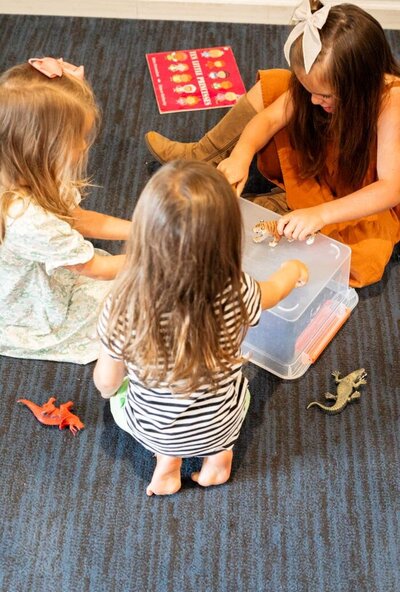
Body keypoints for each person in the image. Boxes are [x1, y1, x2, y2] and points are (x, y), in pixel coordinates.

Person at [145, 1, 400, 288]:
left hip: (359, 191)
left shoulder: (391, 100)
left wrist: (321, 213)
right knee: (274, 85)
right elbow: (268, 120)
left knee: (367, 255)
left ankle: (276, 207)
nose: (315, 100)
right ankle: (203, 155)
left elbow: (390, 188)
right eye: (309, 91)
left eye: (325, 95)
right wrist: (241, 155)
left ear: (360, 83)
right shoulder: (318, 91)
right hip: (323, 161)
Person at [93, 160, 308, 496]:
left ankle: (166, 466)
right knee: (238, 393)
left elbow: (106, 381)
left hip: (155, 429)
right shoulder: (237, 289)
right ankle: (219, 462)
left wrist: (112, 393)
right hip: (223, 421)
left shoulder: (122, 305)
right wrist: (293, 270)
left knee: (123, 401)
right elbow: (275, 291)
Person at [0, 58, 131, 363]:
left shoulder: (30, 170)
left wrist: (144, 229)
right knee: (124, 316)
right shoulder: (27, 218)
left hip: (41, 264)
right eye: (78, 139)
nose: (85, 147)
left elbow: (77, 219)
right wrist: (166, 252)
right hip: (26, 305)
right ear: (41, 146)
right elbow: (94, 269)